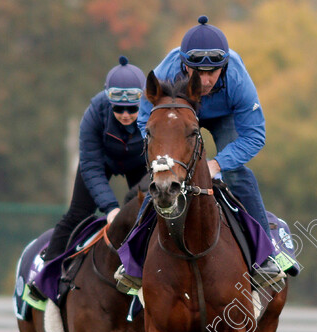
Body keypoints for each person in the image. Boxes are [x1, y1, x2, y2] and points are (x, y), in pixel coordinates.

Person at [115, 15, 284, 290]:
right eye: (198, 72)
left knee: (238, 175)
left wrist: (217, 164)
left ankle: (265, 259)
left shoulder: (238, 80)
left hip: (223, 117)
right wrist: (163, 160)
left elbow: (255, 135)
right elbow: (147, 120)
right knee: (159, 178)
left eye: (213, 72)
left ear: (225, 66)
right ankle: (134, 261)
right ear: (183, 65)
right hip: (178, 113)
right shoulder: (166, 72)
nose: (205, 81)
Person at [31, 56, 147, 299]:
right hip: (102, 161)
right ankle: (46, 276)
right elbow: (91, 166)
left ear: (143, 102)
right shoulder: (94, 113)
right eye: (119, 108)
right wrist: (110, 207)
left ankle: (145, 270)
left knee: (143, 213)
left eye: (132, 109)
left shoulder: (154, 112)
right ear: (108, 102)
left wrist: (125, 207)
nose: (126, 114)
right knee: (77, 214)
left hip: (139, 162)